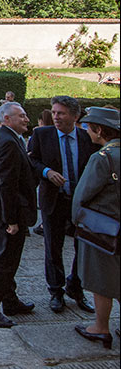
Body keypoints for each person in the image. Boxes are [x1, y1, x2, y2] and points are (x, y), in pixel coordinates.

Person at [28, 95, 97, 314]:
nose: (56, 117)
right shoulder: (41, 134)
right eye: (54, 112)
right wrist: (47, 172)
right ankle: (56, 291)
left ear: (75, 116)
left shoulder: (87, 139)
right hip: (53, 200)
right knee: (53, 247)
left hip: (81, 203)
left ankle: (75, 286)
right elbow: (31, 160)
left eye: (61, 113)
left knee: (83, 247)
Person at [0, 102, 38, 328]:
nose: (26, 119)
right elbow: (7, 184)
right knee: (4, 260)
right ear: (6, 119)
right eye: (21, 116)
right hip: (8, 211)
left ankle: (9, 300)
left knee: (9, 258)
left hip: (5, 208)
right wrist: (11, 219)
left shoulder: (9, 138)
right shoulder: (9, 141)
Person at [72, 107, 120, 348]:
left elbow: (82, 195)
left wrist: (75, 220)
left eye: (89, 126)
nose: (86, 130)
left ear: (99, 130)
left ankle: (101, 327)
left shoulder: (103, 158)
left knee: (102, 279)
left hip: (105, 229)